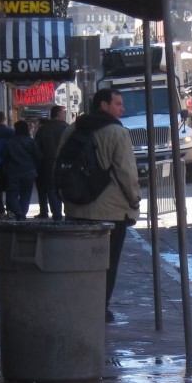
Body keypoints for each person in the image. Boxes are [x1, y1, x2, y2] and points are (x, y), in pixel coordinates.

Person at [58, 88, 141, 322]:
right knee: (107, 264)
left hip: (77, 209)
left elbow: (60, 165)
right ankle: (98, 308)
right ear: (103, 105)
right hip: (111, 212)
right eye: (118, 104)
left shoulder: (73, 129)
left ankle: (80, 304)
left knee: (80, 263)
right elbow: (127, 172)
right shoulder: (117, 132)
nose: (122, 108)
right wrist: (134, 200)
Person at [2, 119, 41, 220]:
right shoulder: (31, 142)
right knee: (26, 195)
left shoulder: (10, 142)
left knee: (12, 194)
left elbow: (3, 156)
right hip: (29, 171)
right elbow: (38, 156)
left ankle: (18, 211)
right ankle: (22, 212)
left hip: (13, 171)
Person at [34, 105, 68, 220]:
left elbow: (36, 148)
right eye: (63, 112)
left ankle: (56, 213)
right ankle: (67, 212)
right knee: (65, 188)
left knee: (51, 189)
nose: (64, 115)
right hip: (64, 163)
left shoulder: (43, 129)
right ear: (58, 113)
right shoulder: (66, 128)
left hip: (47, 164)